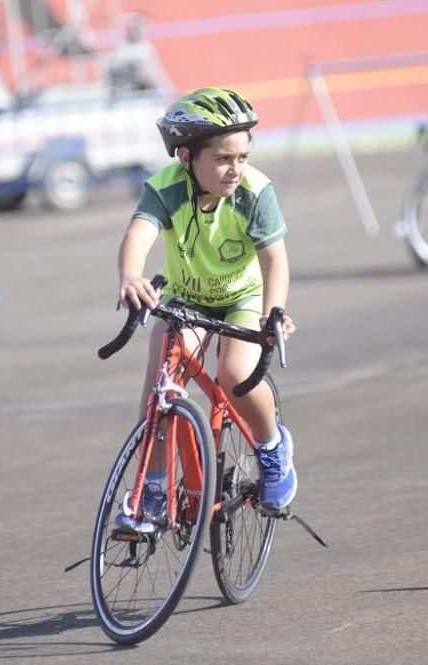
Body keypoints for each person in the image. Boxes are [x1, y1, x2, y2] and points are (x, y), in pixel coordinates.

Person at [114, 87, 298, 531]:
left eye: (242, 156)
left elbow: (275, 260)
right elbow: (139, 233)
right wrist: (130, 276)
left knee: (235, 376)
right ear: (185, 157)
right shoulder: (166, 188)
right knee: (158, 390)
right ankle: (153, 491)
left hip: (242, 299)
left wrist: (273, 313)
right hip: (185, 297)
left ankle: (273, 449)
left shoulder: (255, 191)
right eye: (223, 159)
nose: (235, 169)